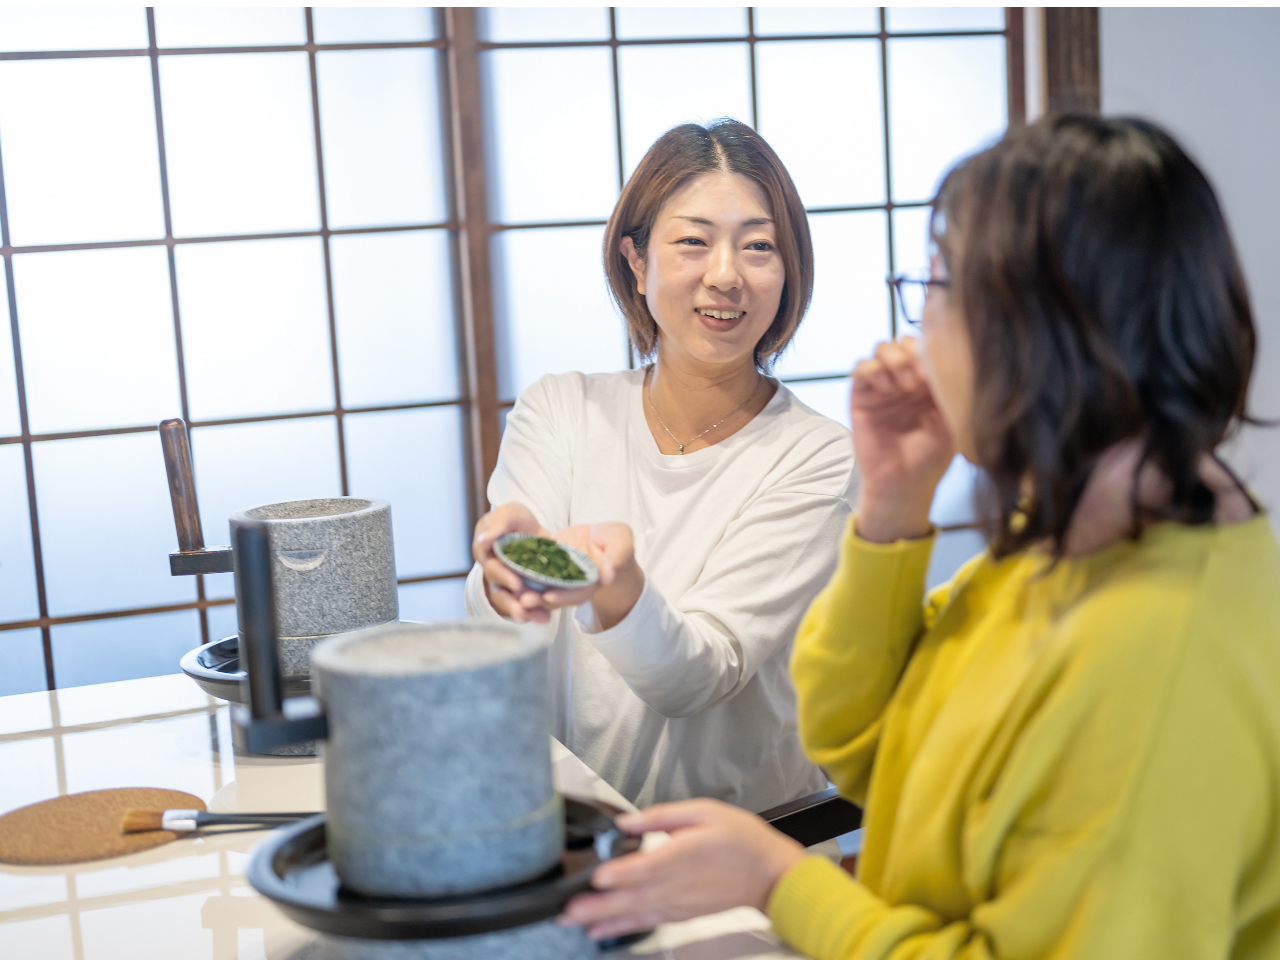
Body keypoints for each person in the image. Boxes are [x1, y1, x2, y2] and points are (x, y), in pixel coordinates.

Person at [559, 115, 1280, 959]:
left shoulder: (1160, 652)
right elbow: (859, 739)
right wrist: (892, 511)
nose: (917, 331)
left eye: (937, 287)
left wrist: (778, 881)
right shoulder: (1065, 540)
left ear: (1042, 330)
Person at [466, 120, 857, 814]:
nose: (726, 275)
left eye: (758, 246)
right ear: (637, 262)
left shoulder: (818, 455)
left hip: (745, 848)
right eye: (693, 242)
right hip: (567, 834)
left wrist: (615, 587)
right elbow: (503, 642)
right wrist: (504, 580)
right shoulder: (560, 409)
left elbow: (696, 677)